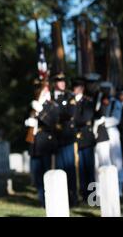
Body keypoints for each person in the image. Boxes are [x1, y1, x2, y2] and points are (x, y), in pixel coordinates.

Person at [25, 81, 59, 206]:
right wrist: (28, 122)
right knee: (37, 173)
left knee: (47, 172)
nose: (43, 93)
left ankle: (50, 198)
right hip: (35, 143)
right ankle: (41, 198)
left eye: (44, 90)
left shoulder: (52, 106)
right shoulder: (33, 105)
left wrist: (40, 113)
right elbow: (26, 119)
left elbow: (52, 122)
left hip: (45, 143)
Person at [50, 72, 78, 206]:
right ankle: (61, 197)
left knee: (69, 167)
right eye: (59, 81)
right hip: (56, 138)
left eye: (63, 81)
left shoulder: (69, 96)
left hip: (67, 137)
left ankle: (73, 197)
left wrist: (55, 113)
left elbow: (70, 114)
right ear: (55, 83)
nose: (62, 83)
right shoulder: (50, 97)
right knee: (59, 168)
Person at [71, 77, 96, 201]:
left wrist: (72, 121)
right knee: (79, 169)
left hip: (86, 138)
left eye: (79, 88)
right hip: (76, 139)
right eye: (75, 87)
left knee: (89, 168)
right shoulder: (72, 102)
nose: (76, 90)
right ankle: (81, 193)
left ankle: (92, 196)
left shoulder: (88, 102)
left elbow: (84, 118)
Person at [100, 81, 123, 195]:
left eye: (107, 89)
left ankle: (119, 186)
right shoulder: (99, 102)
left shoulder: (116, 103)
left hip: (112, 131)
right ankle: (107, 187)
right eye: (103, 89)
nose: (105, 91)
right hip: (101, 133)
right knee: (104, 159)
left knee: (116, 160)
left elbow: (116, 119)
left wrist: (103, 122)